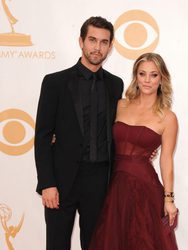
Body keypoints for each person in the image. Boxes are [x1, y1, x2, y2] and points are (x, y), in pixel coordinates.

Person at [34, 16, 124, 250]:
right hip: (61, 181)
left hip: (99, 180)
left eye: (104, 42)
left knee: (95, 245)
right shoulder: (55, 82)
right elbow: (43, 136)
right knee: (57, 244)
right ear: (81, 41)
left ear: (110, 46)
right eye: (92, 40)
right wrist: (47, 183)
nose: (97, 47)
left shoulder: (116, 85)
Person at [89, 52, 179, 250]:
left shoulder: (168, 117)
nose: (147, 80)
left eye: (154, 75)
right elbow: (99, 135)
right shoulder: (121, 105)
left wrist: (169, 199)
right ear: (135, 76)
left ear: (162, 78)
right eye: (142, 74)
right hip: (115, 186)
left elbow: (166, 159)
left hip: (145, 187)